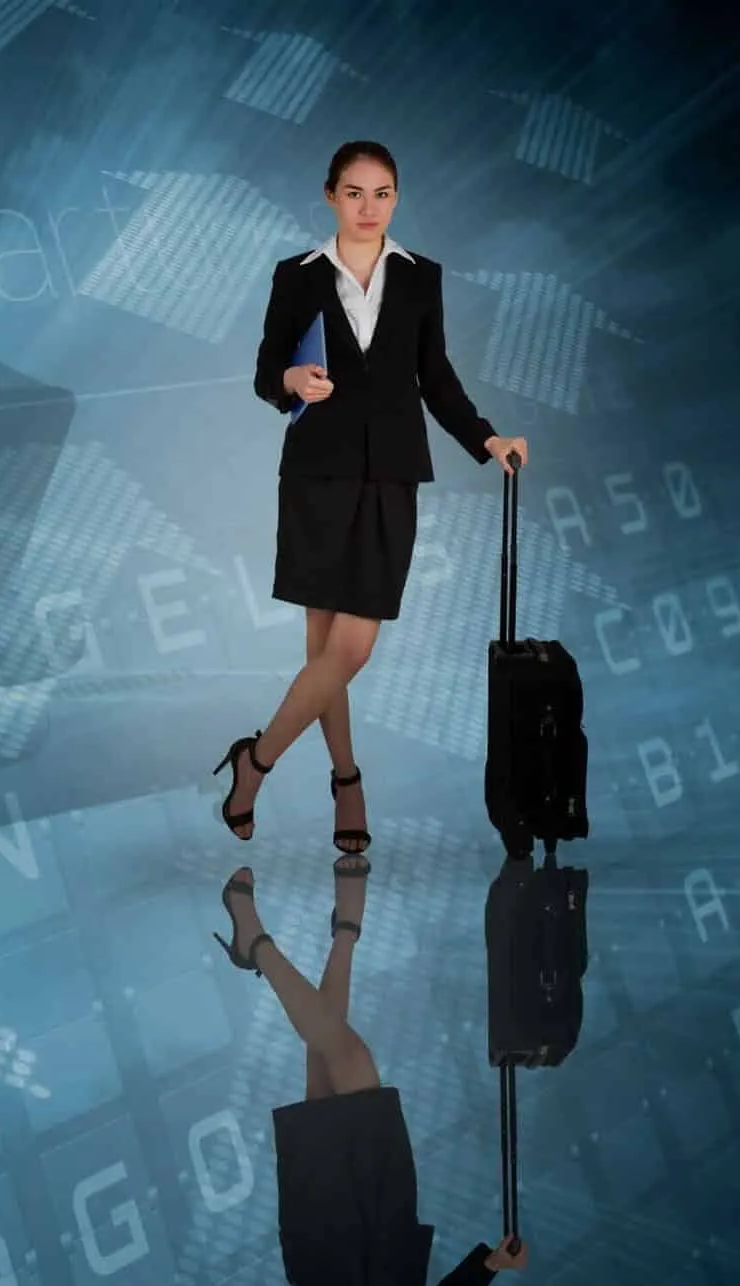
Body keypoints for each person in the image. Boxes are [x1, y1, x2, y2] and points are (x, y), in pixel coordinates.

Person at [214, 141, 531, 851]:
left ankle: (254, 763)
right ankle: (349, 783)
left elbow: (436, 376)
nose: (368, 207)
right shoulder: (295, 275)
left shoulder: (421, 278)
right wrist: (293, 383)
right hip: (316, 476)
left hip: (390, 475)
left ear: (397, 198)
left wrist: (487, 439)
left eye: (382, 193)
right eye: (353, 192)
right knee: (324, 648)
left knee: (348, 653)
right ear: (330, 195)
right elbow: (269, 365)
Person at [213, 855, 527, 1286]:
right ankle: (303, 936)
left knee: (331, 1066)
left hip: (318, 1233)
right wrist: (486, 1268)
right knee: (344, 1060)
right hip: (389, 1225)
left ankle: (297, 936)